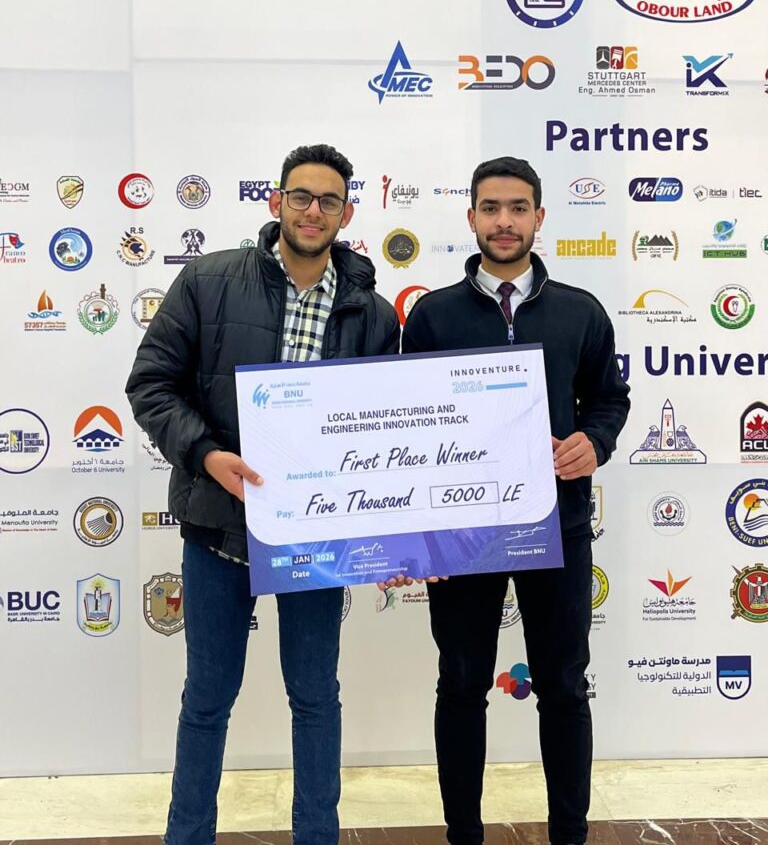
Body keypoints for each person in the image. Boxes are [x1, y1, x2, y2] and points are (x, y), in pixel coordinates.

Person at [126, 143, 400, 845]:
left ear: (347, 213)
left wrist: (395, 536)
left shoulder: (373, 313)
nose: (313, 211)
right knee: (207, 701)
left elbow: (385, 431)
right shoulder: (208, 280)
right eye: (300, 196)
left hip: (318, 539)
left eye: (329, 200)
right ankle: (188, 837)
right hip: (219, 530)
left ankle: (318, 836)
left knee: (315, 698)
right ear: (276, 202)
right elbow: (152, 383)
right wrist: (206, 454)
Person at [400, 156, 630, 845]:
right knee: (461, 682)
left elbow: (610, 401)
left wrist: (594, 441)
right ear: (471, 216)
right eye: (492, 208)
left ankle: (569, 834)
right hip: (461, 534)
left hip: (556, 526)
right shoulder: (432, 316)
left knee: (563, 685)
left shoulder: (580, 311)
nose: (504, 221)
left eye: (518, 208)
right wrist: (418, 531)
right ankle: (463, 835)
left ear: (539, 217)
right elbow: (410, 425)